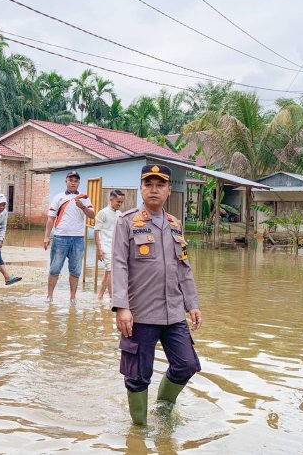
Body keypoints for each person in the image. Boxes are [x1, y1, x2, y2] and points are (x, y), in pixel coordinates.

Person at [112, 164, 202, 426]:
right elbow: (118, 264)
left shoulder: (175, 225)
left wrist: (192, 304)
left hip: (173, 313)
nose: (154, 190)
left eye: (160, 185)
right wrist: (121, 307)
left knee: (186, 364)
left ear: (168, 190)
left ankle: (163, 411)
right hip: (139, 313)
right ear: (141, 188)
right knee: (138, 376)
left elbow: (183, 267)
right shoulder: (126, 221)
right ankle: (139, 430)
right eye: (148, 184)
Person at [43, 171, 95, 304]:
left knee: (75, 270)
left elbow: (92, 215)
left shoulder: (84, 197)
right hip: (60, 237)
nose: (73, 182)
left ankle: (72, 298)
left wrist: (82, 207)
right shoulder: (58, 197)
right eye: (70, 180)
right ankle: (49, 296)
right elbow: (50, 218)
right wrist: (47, 237)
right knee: (54, 268)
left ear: (79, 183)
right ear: (66, 181)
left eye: (76, 180)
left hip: (78, 239)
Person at [94, 189, 125, 301]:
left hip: (115, 247)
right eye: (118, 201)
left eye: (121, 202)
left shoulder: (120, 214)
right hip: (105, 246)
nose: (120, 204)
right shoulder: (102, 213)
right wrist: (99, 249)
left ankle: (100, 296)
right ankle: (112, 298)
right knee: (111, 272)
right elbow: (96, 231)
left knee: (108, 272)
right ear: (111, 199)